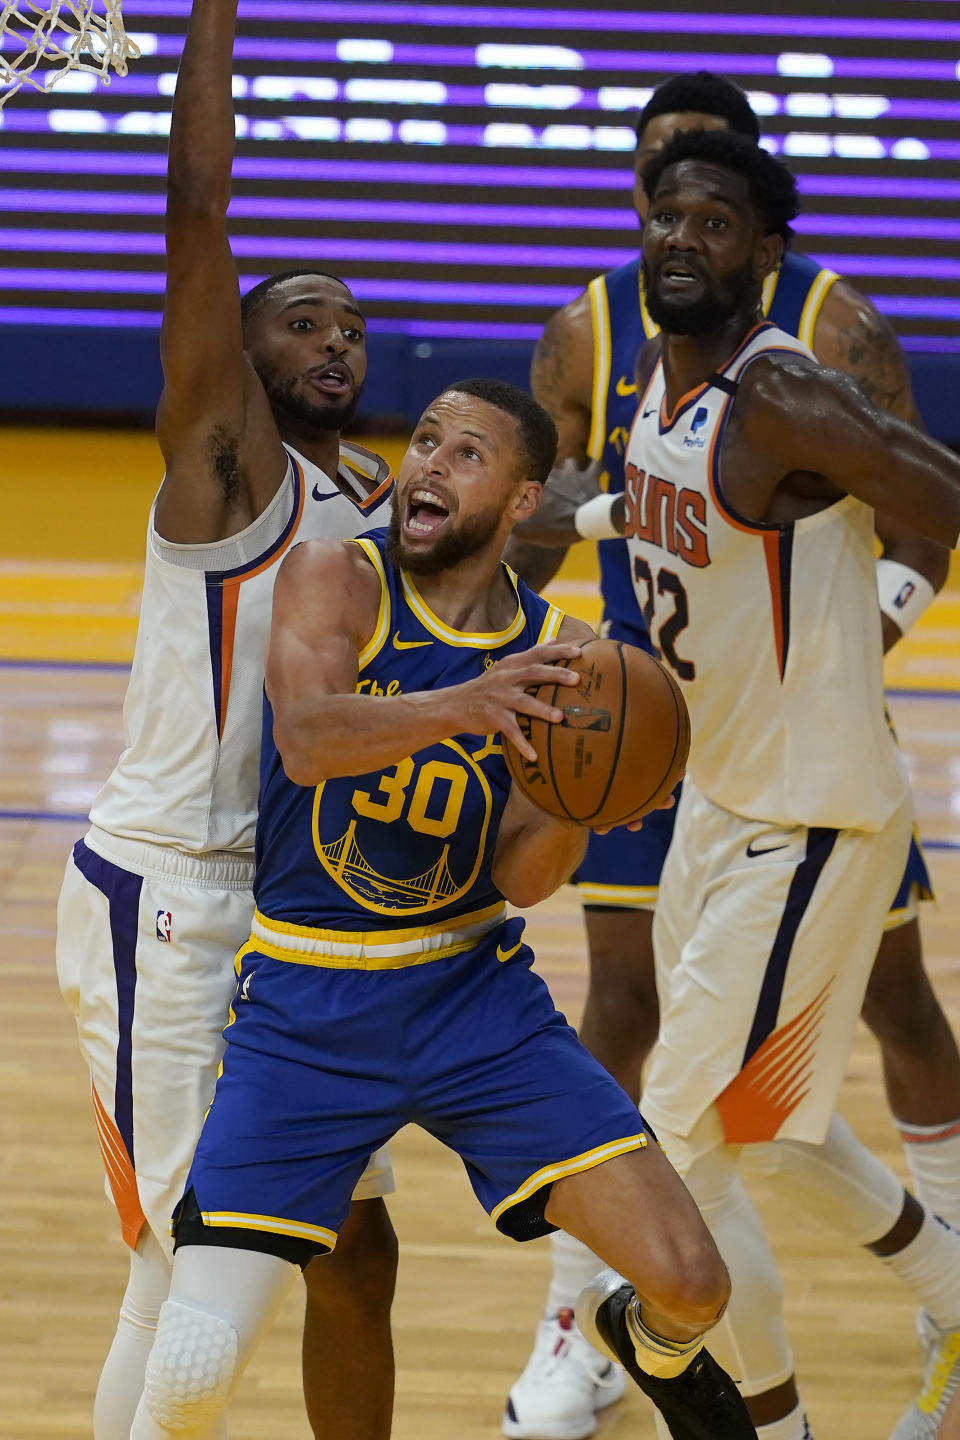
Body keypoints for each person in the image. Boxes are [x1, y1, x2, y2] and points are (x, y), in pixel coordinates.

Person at [126, 376, 760, 1440]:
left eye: (466, 455)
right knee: (191, 1371)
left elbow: (522, 878)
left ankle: (640, 1347)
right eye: (425, 440)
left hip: (475, 1003)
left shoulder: (565, 651)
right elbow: (311, 738)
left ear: (522, 501)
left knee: (695, 1283)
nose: (427, 463)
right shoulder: (337, 577)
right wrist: (476, 702)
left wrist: (578, 803)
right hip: (305, 1010)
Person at [504, 70, 958, 1440]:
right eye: (667, 218)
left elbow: (930, 490)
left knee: (666, 1151)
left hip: (809, 817)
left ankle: (769, 1424)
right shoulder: (658, 387)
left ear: (764, 251)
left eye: (714, 223)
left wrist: (869, 608)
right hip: (717, 802)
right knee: (775, 1127)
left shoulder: (781, 394)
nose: (681, 240)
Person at [54, 1, 398, 1436]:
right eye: (298, 318)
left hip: (302, 929)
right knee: (200, 1266)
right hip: (174, 904)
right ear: (235, 354)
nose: (335, 339)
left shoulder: (366, 500)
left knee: (356, 1258)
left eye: (351, 324)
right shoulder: (225, 473)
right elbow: (198, 209)